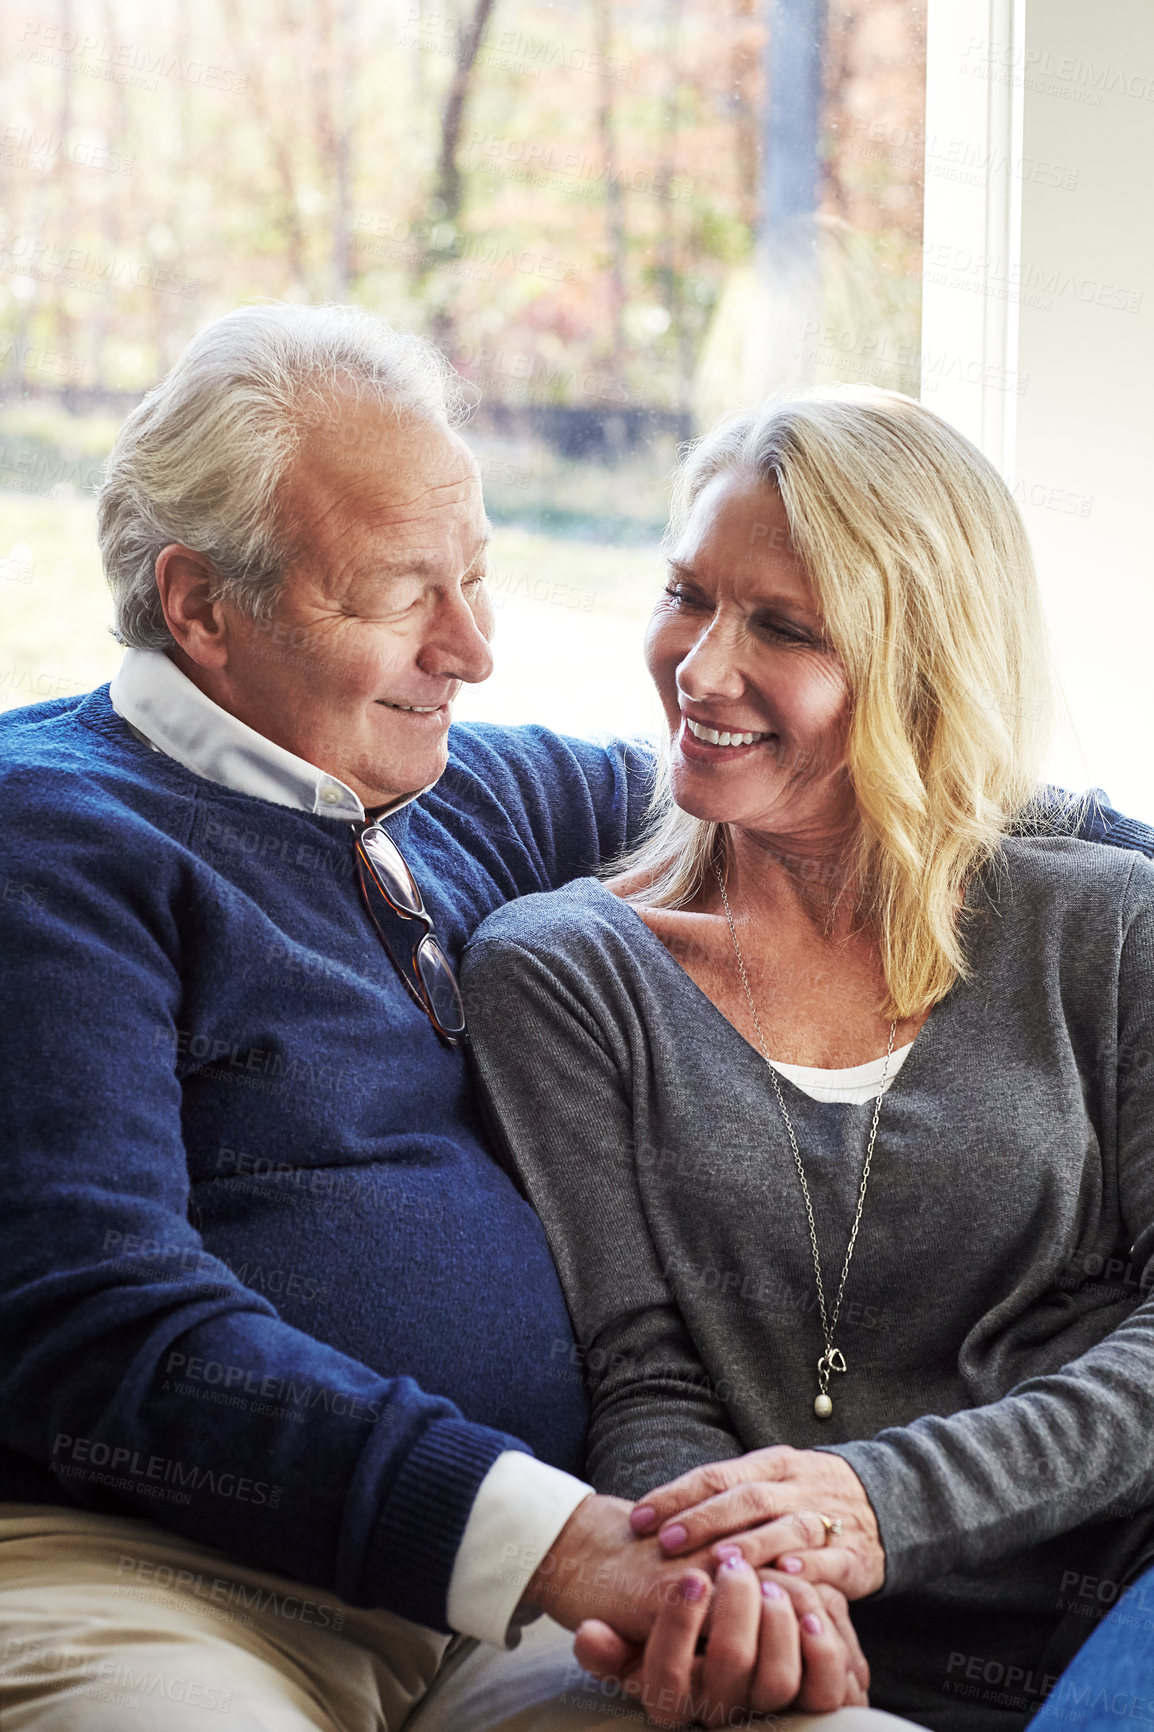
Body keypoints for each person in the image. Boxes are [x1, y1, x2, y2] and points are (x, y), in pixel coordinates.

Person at [0, 303, 888, 1732]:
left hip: (499, 1619)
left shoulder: (459, 790)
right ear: (202, 607)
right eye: (405, 595)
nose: (471, 652)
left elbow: (869, 780)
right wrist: (578, 1543)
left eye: (476, 579)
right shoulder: (49, 838)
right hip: (142, 1582)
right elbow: (93, 1321)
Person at [460, 384, 1154, 1732]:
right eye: (684, 596)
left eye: (781, 627)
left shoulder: (1105, 929)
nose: (700, 670)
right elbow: (645, 1366)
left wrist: (885, 1501)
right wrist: (734, 1583)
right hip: (797, 1621)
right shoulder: (561, 975)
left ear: (919, 664)